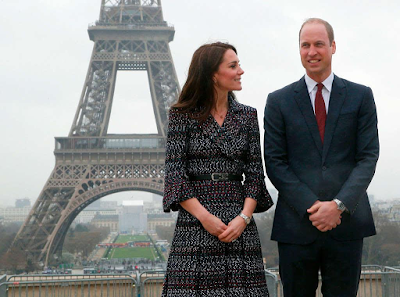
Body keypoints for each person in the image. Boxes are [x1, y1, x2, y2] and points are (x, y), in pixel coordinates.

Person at [264, 18, 379, 297]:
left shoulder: (361, 96)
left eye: (318, 44)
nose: (312, 51)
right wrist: (314, 206)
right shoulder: (278, 101)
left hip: (346, 225)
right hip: (296, 226)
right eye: (305, 45)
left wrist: (338, 206)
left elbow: (368, 157)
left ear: (333, 46)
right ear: (299, 49)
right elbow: (275, 163)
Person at [162, 42, 273, 296]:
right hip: (196, 221)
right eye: (233, 66)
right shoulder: (182, 116)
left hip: (238, 222)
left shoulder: (247, 116)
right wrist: (205, 217)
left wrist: (243, 219)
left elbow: (256, 174)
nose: (241, 71)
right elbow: (175, 174)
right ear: (213, 74)